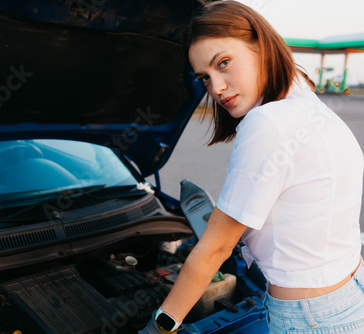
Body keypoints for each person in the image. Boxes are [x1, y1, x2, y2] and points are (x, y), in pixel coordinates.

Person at [140, 1, 364, 333]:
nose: (216, 88)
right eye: (205, 78)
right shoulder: (307, 104)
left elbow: (216, 246)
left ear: (261, 46)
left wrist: (161, 326)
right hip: (348, 293)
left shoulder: (267, 122)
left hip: (310, 317)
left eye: (224, 63)